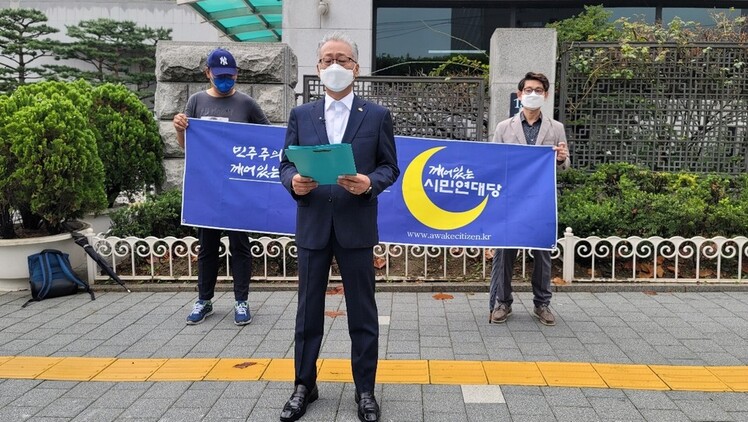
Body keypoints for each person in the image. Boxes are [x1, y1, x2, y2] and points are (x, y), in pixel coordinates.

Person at [278, 32, 399, 422]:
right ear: (317, 68)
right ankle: (303, 385)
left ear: (356, 68)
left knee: (362, 313)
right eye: (328, 59)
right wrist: (292, 182)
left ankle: (365, 390)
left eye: (343, 59)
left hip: (356, 226)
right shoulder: (301, 115)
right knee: (308, 312)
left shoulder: (377, 115)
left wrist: (370, 183)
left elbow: (389, 167)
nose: (335, 66)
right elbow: (285, 164)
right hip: (313, 224)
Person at [172, 48, 270, 326]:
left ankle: (241, 300)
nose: (226, 80)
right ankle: (204, 300)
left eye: (230, 76)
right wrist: (180, 128)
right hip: (207, 189)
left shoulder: (247, 104)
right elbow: (186, 147)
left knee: (240, 245)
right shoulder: (196, 101)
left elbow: (267, 139)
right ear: (208, 73)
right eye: (220, 76)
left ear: (237, 74)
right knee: (207, 247)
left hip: (238, 188)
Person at [489, 71, 570, 327]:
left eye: (538, 90)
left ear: (545, 95)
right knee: (504, 252)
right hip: (510, 200)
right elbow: (493, 162)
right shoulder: (504, 127)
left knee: (543, 252)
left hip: (541, 200)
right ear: (519, 94)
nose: (532, 94)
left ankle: (542, 303)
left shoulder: (556, 128)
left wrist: (561, 158)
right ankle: (503, 302)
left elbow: (565, 163)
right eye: (528, 90)